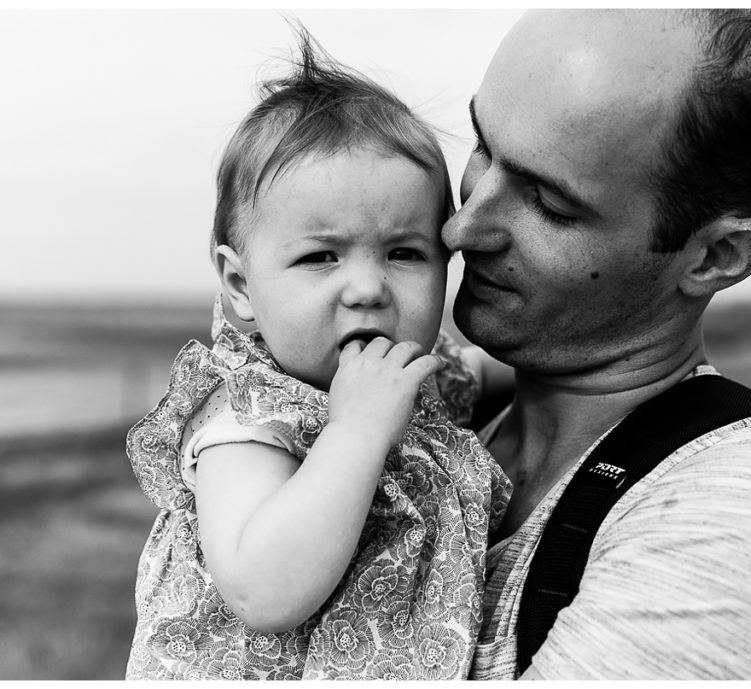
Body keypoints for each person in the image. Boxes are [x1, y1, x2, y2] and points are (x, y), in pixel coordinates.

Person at [444, 9, 751, 680]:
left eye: (550, 204)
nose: (462, 228)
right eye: (481, 147)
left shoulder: (745, 524)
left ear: (718, 255)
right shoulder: (432, 413)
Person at [124, 33, 512, 680]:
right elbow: (261, 588)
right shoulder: (246, 422)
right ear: (242, 285)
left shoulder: (418, 377)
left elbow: (507, 374)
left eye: (405, 253)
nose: (367, 287)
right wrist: (355, 432)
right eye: (320, 257)